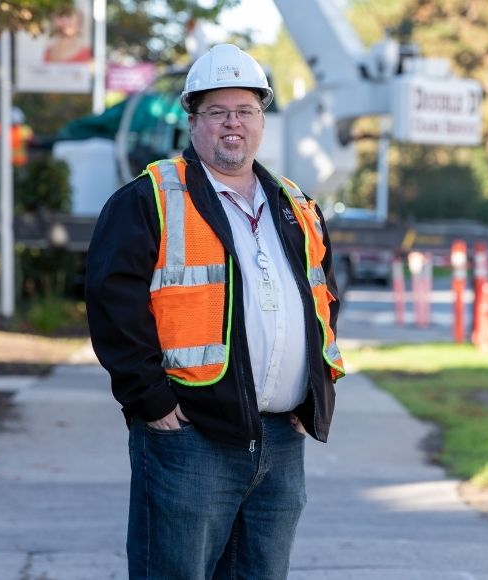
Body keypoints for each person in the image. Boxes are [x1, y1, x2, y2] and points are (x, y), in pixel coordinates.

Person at [85, 43, 345, 580]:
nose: (233, 124)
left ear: (262, 119)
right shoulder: (149, 198)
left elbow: (323, 301)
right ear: (193, 119)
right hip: (190, 438)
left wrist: (316, 392)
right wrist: (149, 399)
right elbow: (113, 303)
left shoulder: (296, 206)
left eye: (245, 110)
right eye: (217, 111)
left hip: (280, 439)